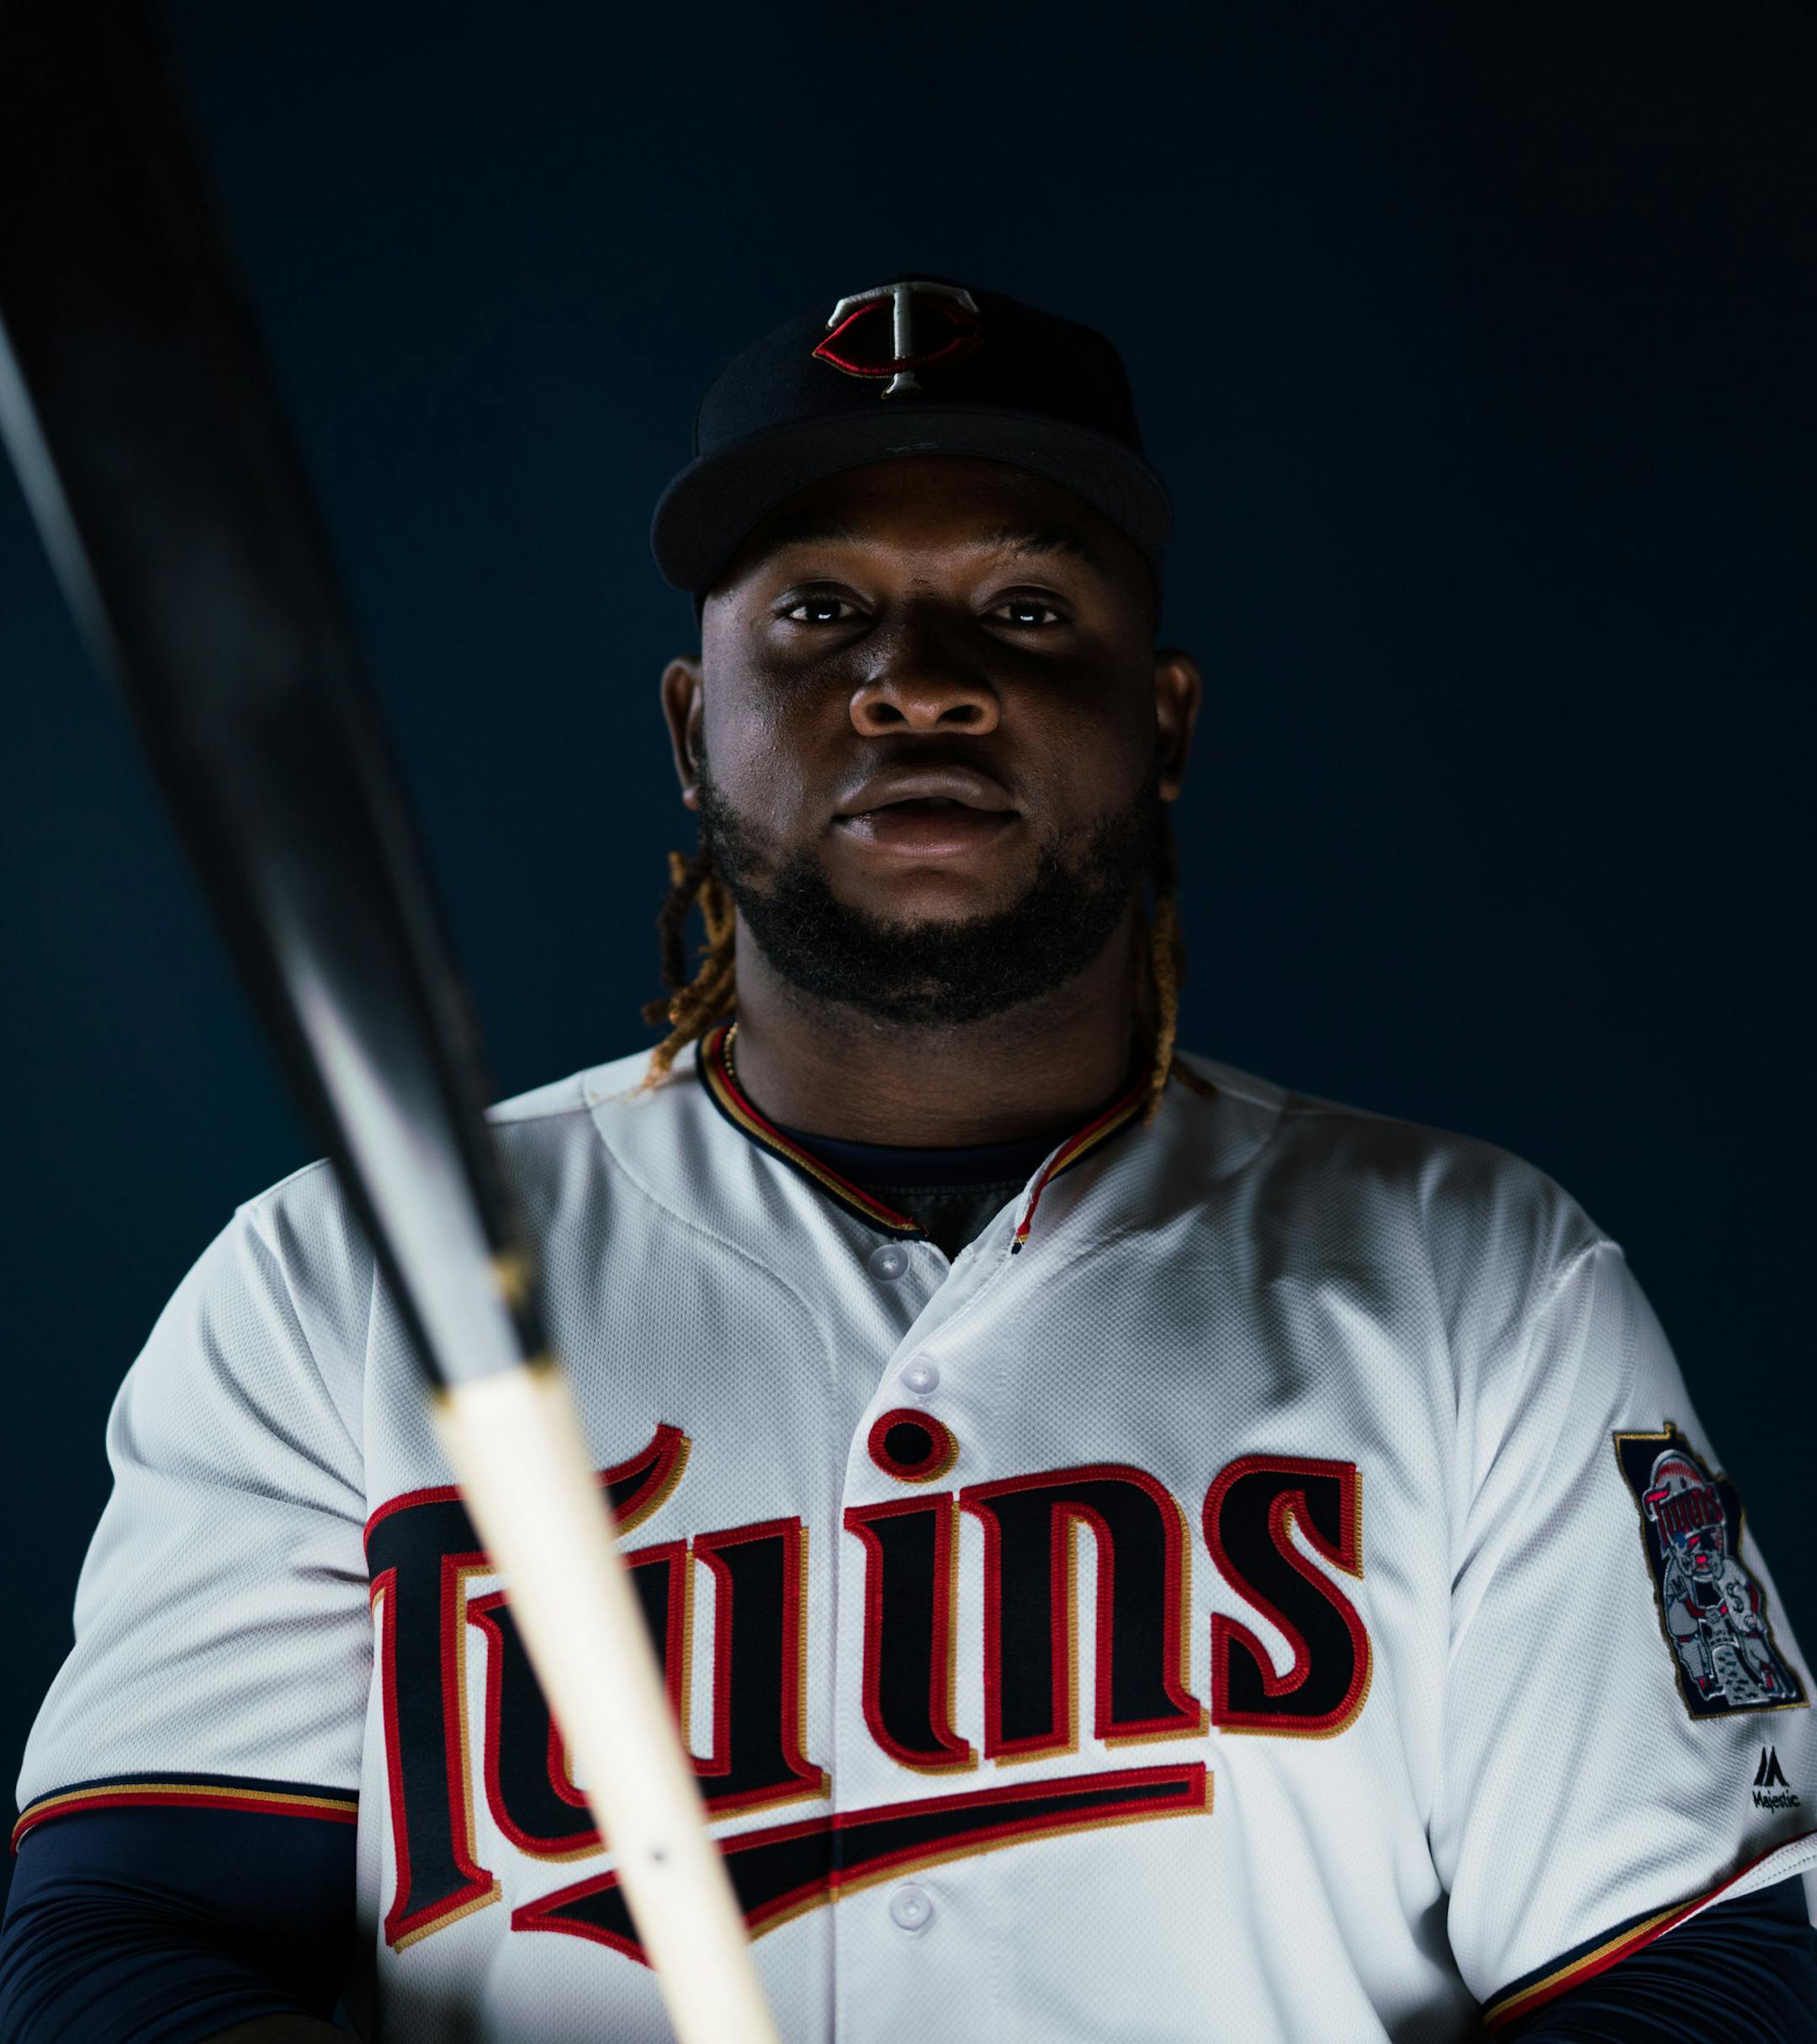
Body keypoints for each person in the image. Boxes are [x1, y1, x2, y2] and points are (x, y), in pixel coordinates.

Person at [3, 278, 1814, 2042]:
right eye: (816, 616)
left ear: (1163, 720)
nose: (917, 685)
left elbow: (1710, 1965)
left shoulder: (1479, 1279)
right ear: (689, 727)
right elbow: (121, 1948)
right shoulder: (341, 1279)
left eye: (1026, 613)